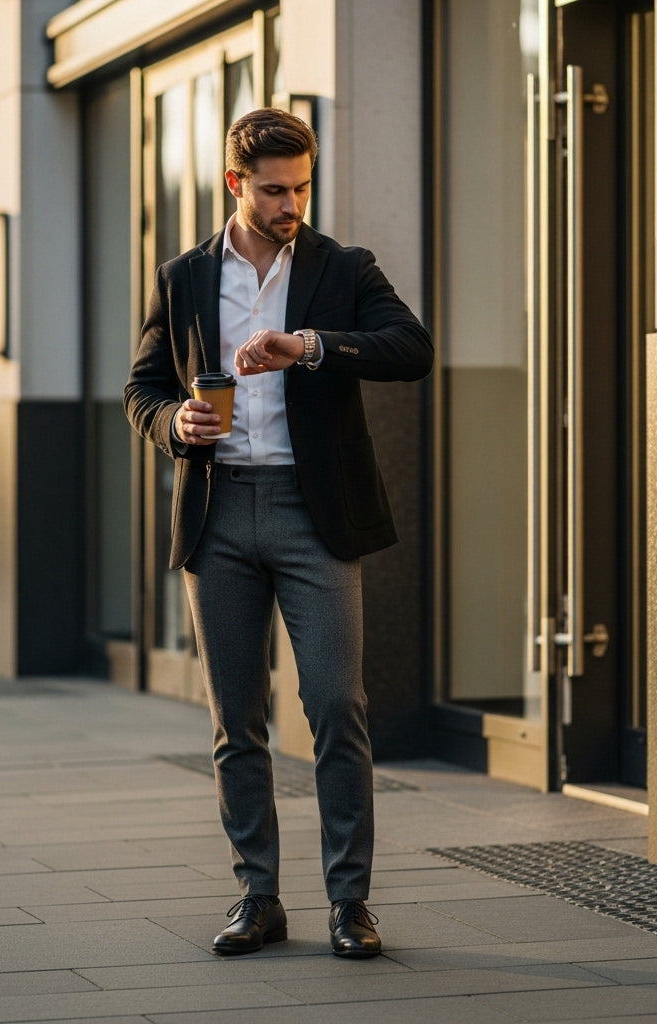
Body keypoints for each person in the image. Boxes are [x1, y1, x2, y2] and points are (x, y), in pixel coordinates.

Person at [124, 107, 433, 958]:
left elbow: (412, 348)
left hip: (312, 514)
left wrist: (311, 346)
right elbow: (142, 386)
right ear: (235, 185)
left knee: (339, 705)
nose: (291, 201)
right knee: (238, 720)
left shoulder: (342, 267)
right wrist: (171, 424)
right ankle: (258, 896)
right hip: (217, 514)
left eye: (301, 186)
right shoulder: (183, 276)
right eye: (273, 189)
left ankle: (350, 902)